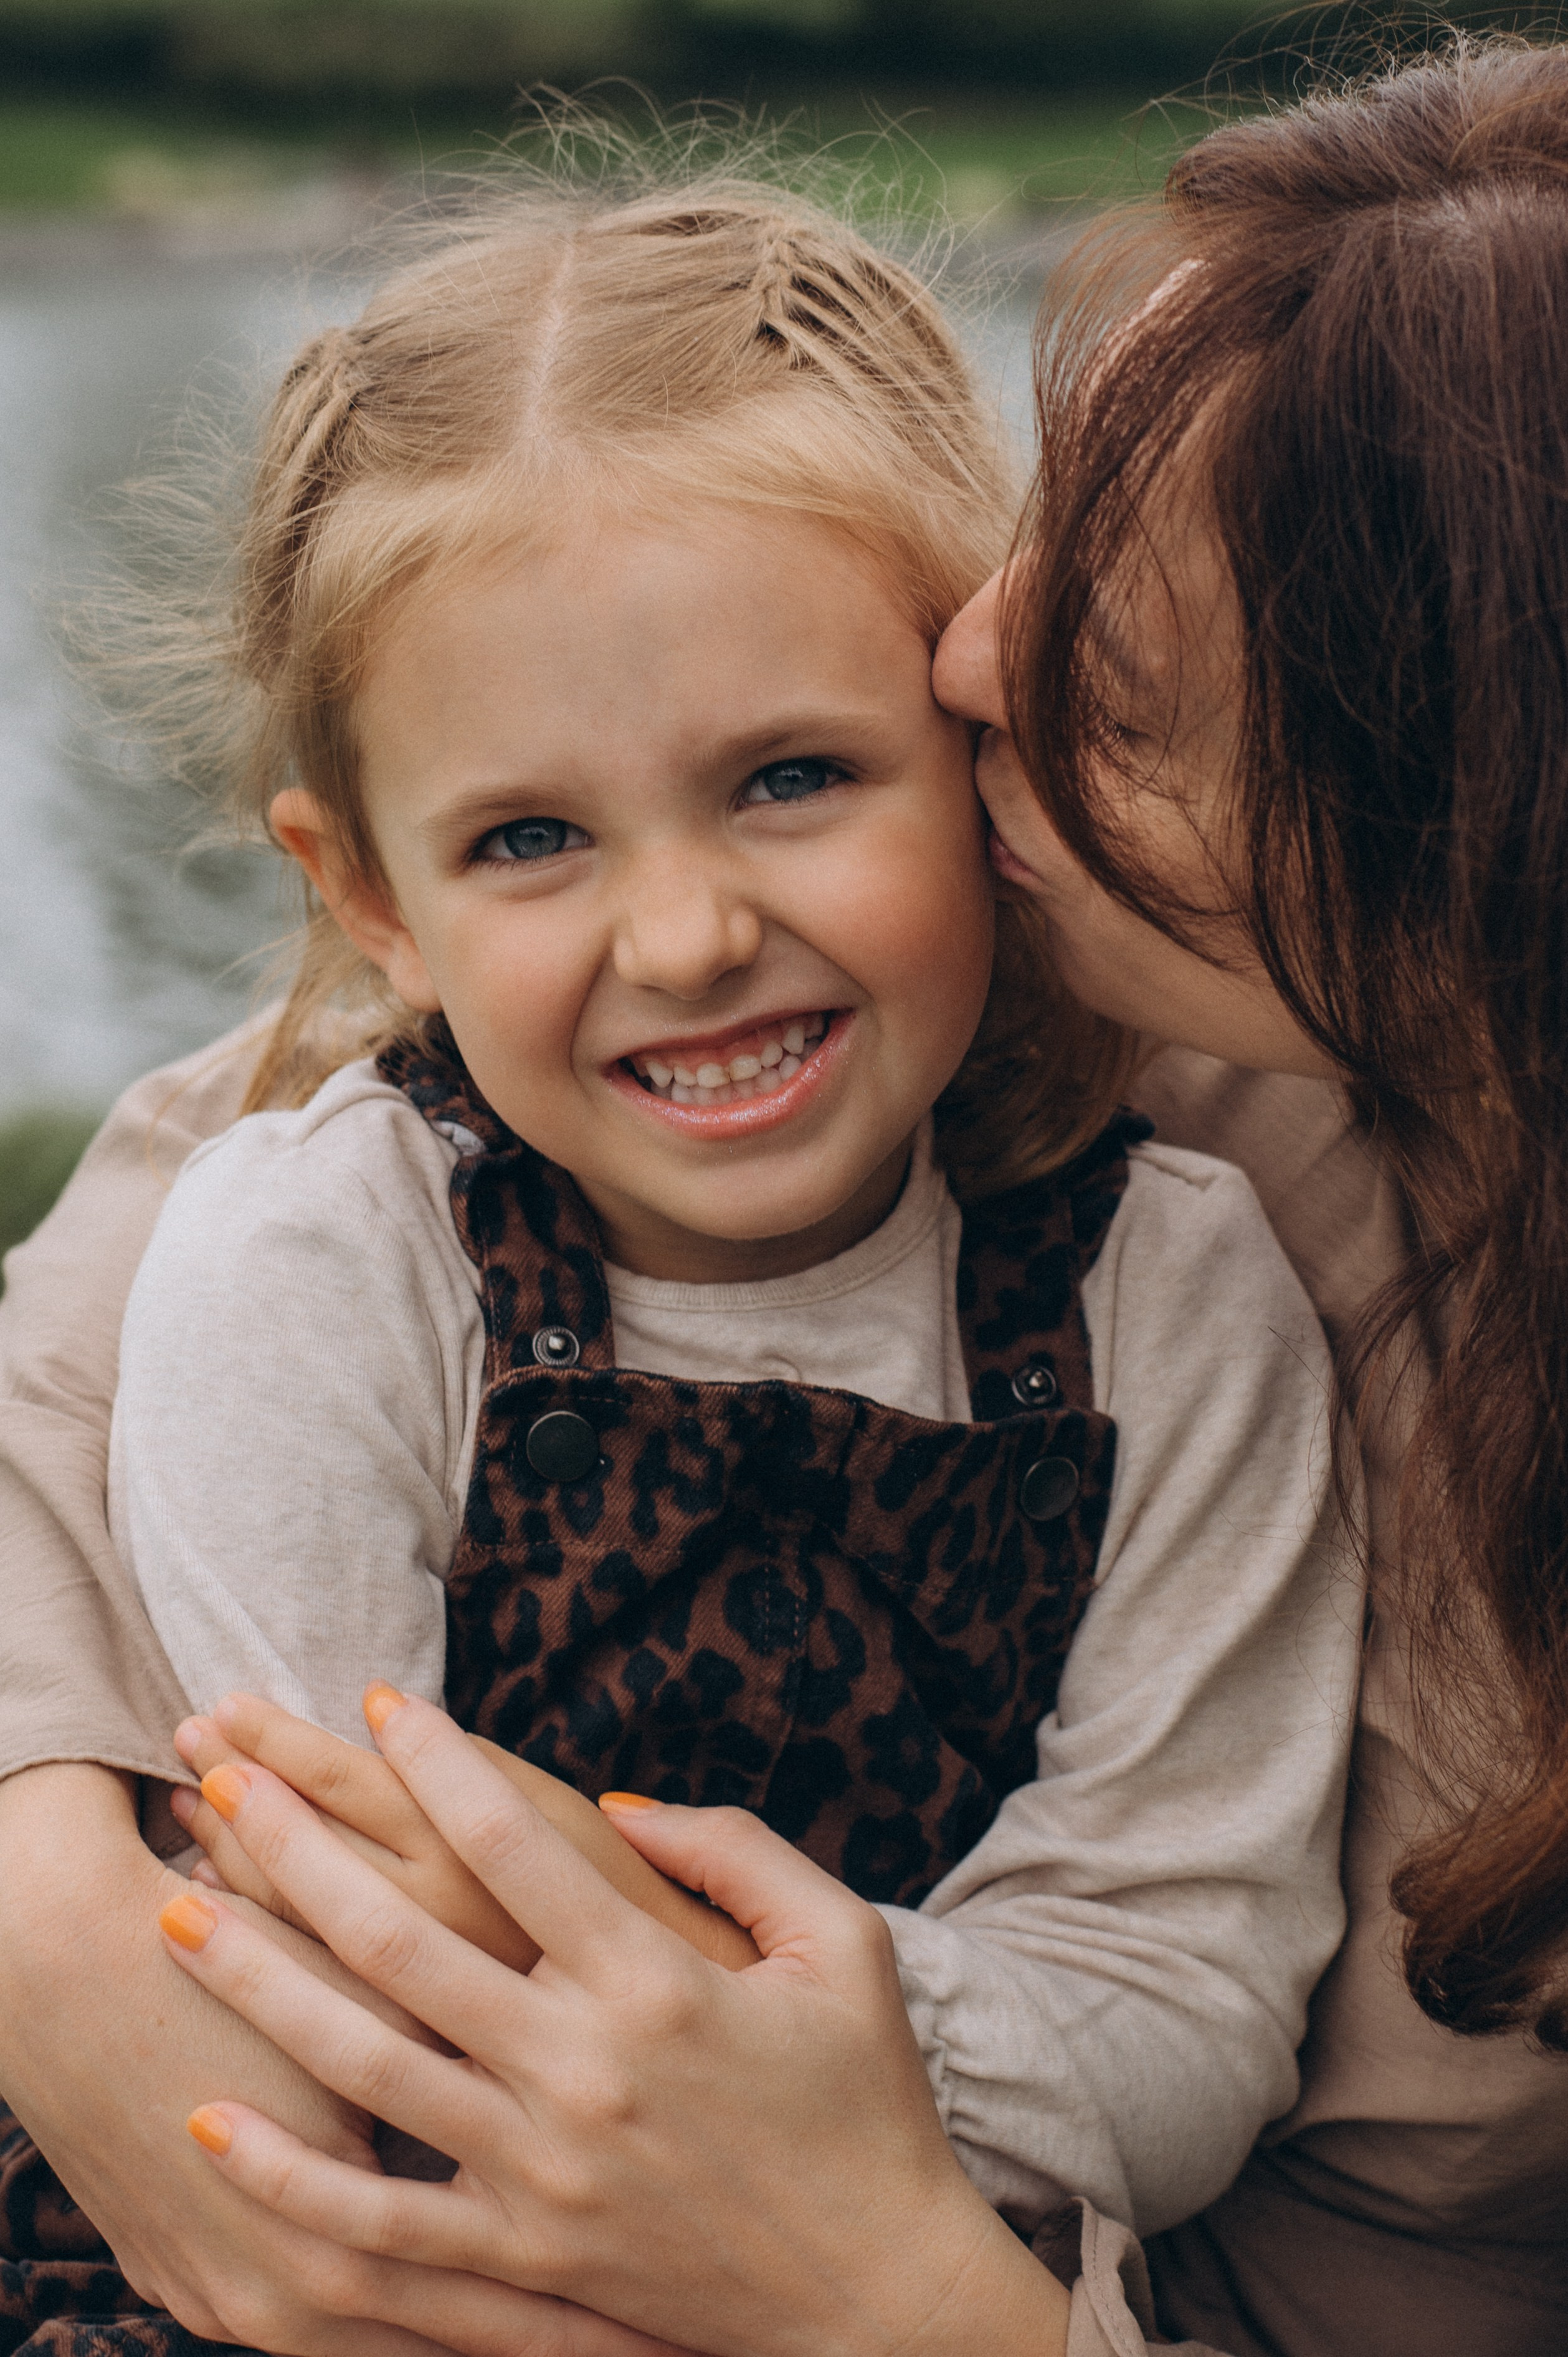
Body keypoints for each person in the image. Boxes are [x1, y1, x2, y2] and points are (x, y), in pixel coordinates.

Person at [134, 31, 1568, 2357]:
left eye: (1121, 682)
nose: (979, 651)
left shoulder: (1177, 1259)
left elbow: (1170, 2005)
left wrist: (759, 2092)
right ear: (373, 889)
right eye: (530, 836)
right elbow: (313, 1942)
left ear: (1453, 844)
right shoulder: (340, 1225)